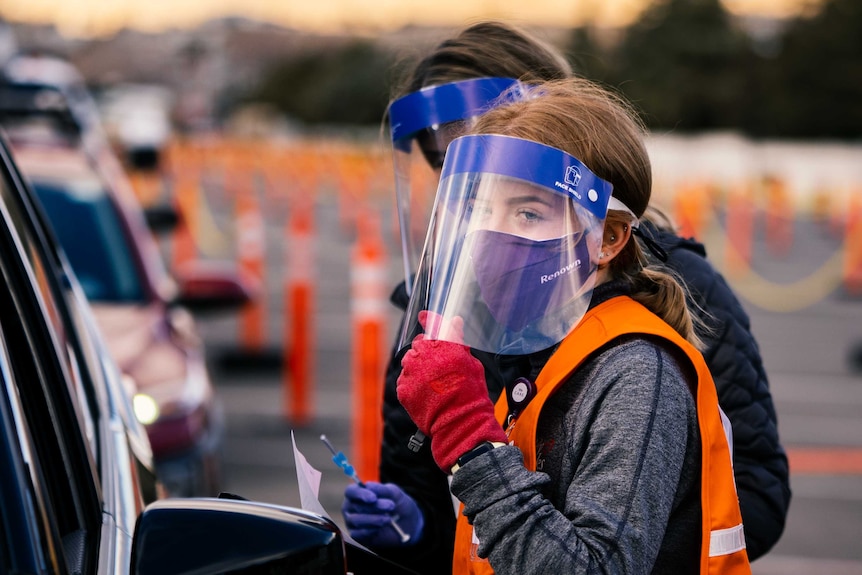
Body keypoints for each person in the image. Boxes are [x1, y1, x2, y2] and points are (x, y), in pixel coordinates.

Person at [342, 20, 788, 572]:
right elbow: (448, 511)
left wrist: (569, 511)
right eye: (448, 164)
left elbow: (750, 495)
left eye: (526, 204)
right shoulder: (444, 308)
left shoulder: (650, 337)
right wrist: (415, 529)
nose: (477, 184)